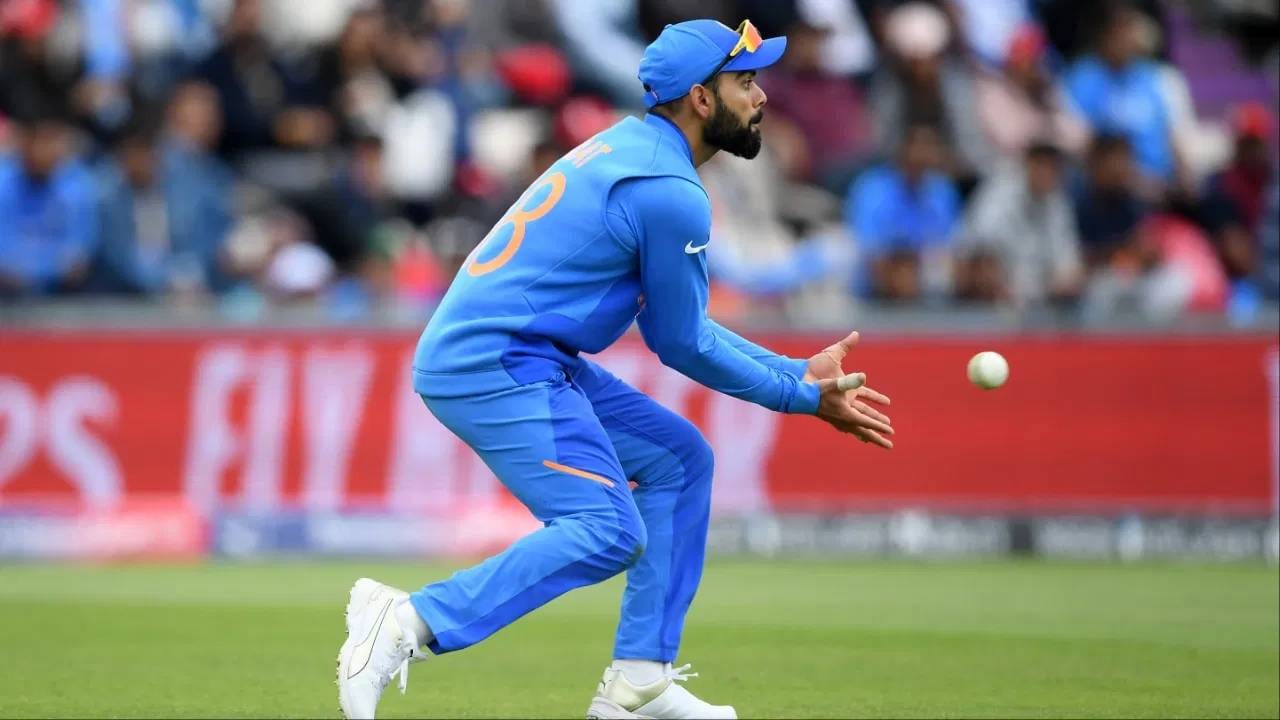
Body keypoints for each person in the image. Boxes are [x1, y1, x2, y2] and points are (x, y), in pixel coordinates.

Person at [335, 19, 895, 720]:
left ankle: (639, 681)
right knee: (608, 530)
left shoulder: (633, 148)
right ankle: (408, 622)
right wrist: (799, 395)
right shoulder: (669, 190)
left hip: (524, 352)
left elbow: (675, 330)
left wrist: (794, 373)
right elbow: (683, 344)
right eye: (745, 82)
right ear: (700, 98)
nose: (760, 98)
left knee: (680, 461)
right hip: (495, 361)